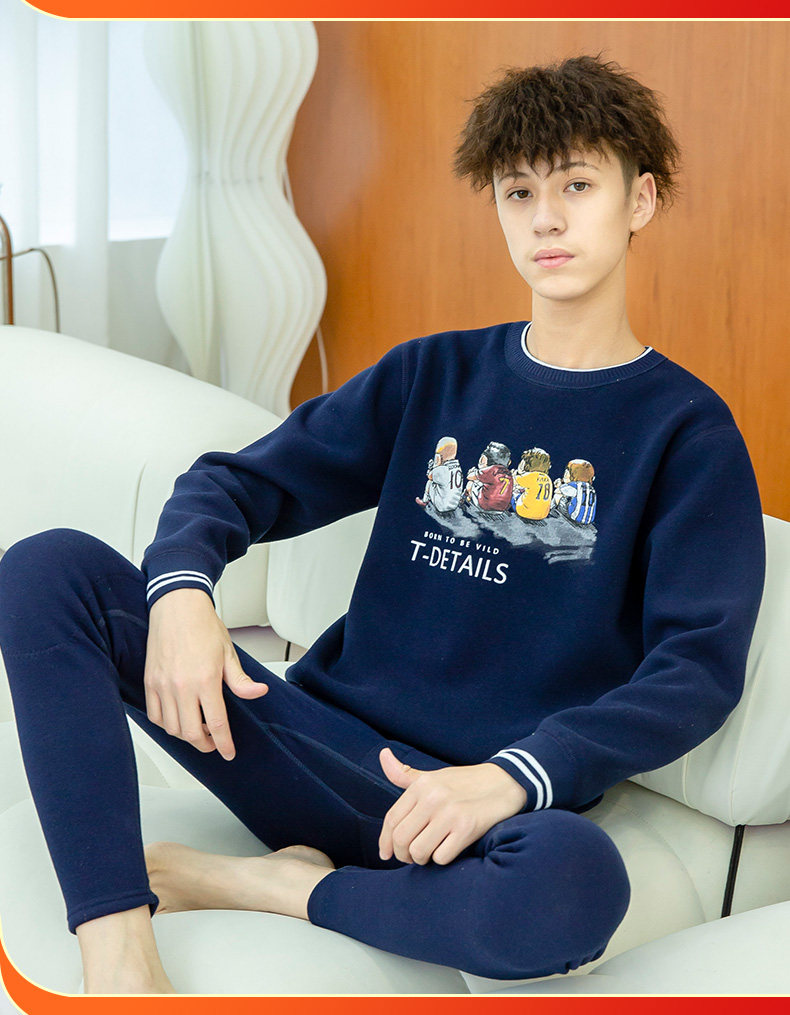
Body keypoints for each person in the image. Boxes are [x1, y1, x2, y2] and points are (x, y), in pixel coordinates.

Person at [0, 53, 766, 995]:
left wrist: (513, 776)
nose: (547, 218)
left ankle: (284, 888)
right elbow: (232, 483)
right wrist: (183, 593)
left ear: (640, 199)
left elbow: (696, 668)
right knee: (46, 568)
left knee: (576, 883)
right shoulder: (432, 375)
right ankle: (119, 955)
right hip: (307, 747)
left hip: (473, 812)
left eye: (577, 186)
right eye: (519, 192)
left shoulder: (688, 434)